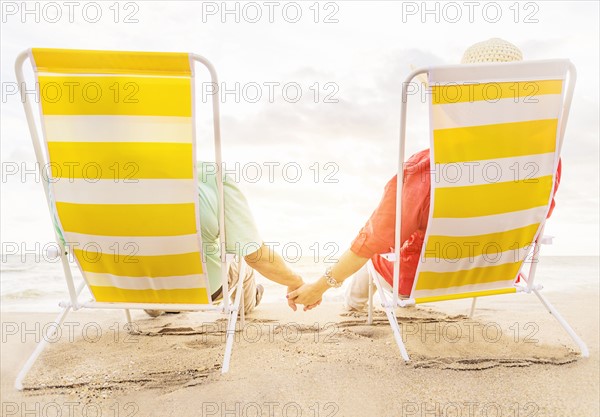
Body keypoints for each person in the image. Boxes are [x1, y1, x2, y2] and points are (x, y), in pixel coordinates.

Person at [287, 38, 562, 312]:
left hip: (419, 281)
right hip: (496, 274)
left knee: (373, 256)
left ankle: (353, 310)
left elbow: (371, 242)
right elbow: (538, 217)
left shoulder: (427, 169)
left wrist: (317, 288)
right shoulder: (547, 164)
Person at [146, 162, 304, 317]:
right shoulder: (212, 175)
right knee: (244, 262)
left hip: (140, 289)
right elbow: (257, 257)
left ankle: (153, 306)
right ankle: (251, 300)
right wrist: (296, 282)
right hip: (205, 291)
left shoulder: (126, 179)